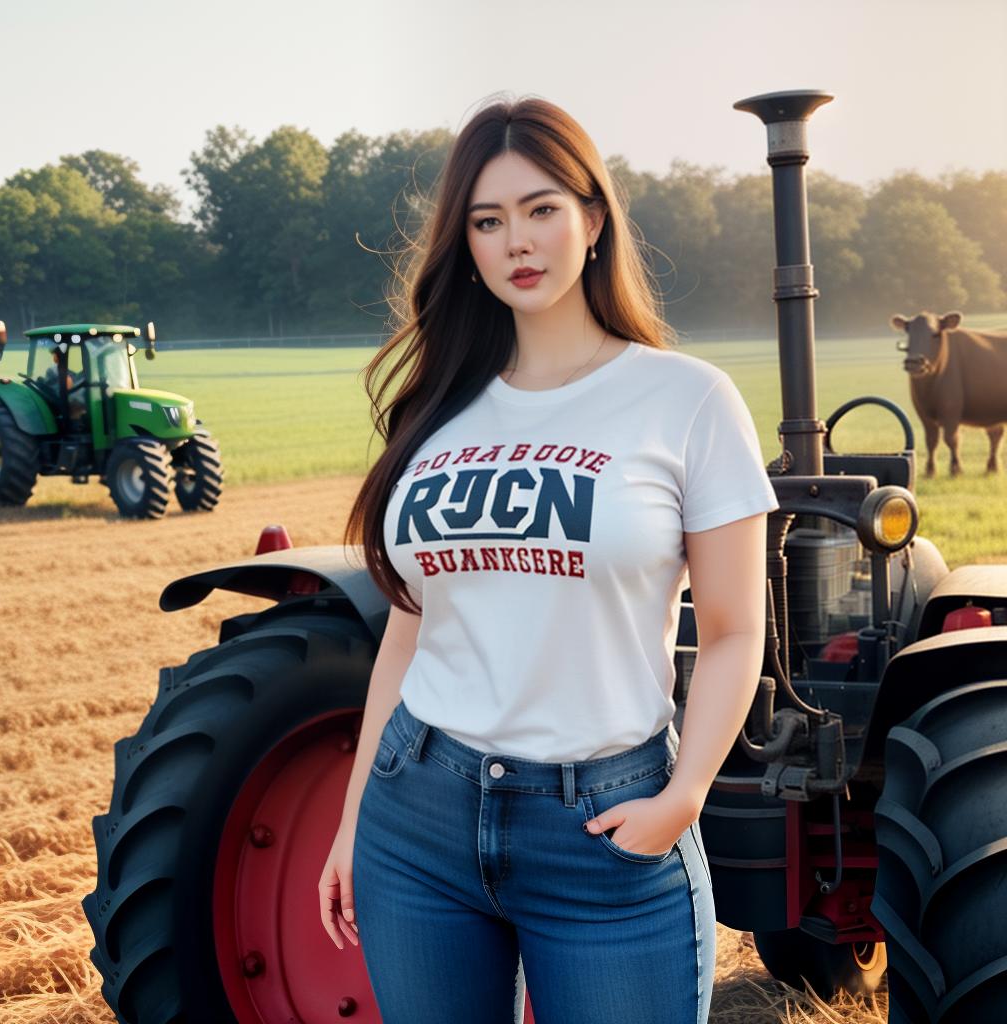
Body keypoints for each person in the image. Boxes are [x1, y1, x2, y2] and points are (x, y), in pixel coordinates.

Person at [320, 94, 779, 1024]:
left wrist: (685, 796)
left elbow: (732, 631)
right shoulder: (441, 409)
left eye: (541, 210)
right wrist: (354, 816)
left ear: (594, 220)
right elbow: (409, 634)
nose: (516, 241)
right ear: (467, 245)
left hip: (605, 827)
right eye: (488, 221)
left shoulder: (685, 399)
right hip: (419, 821)